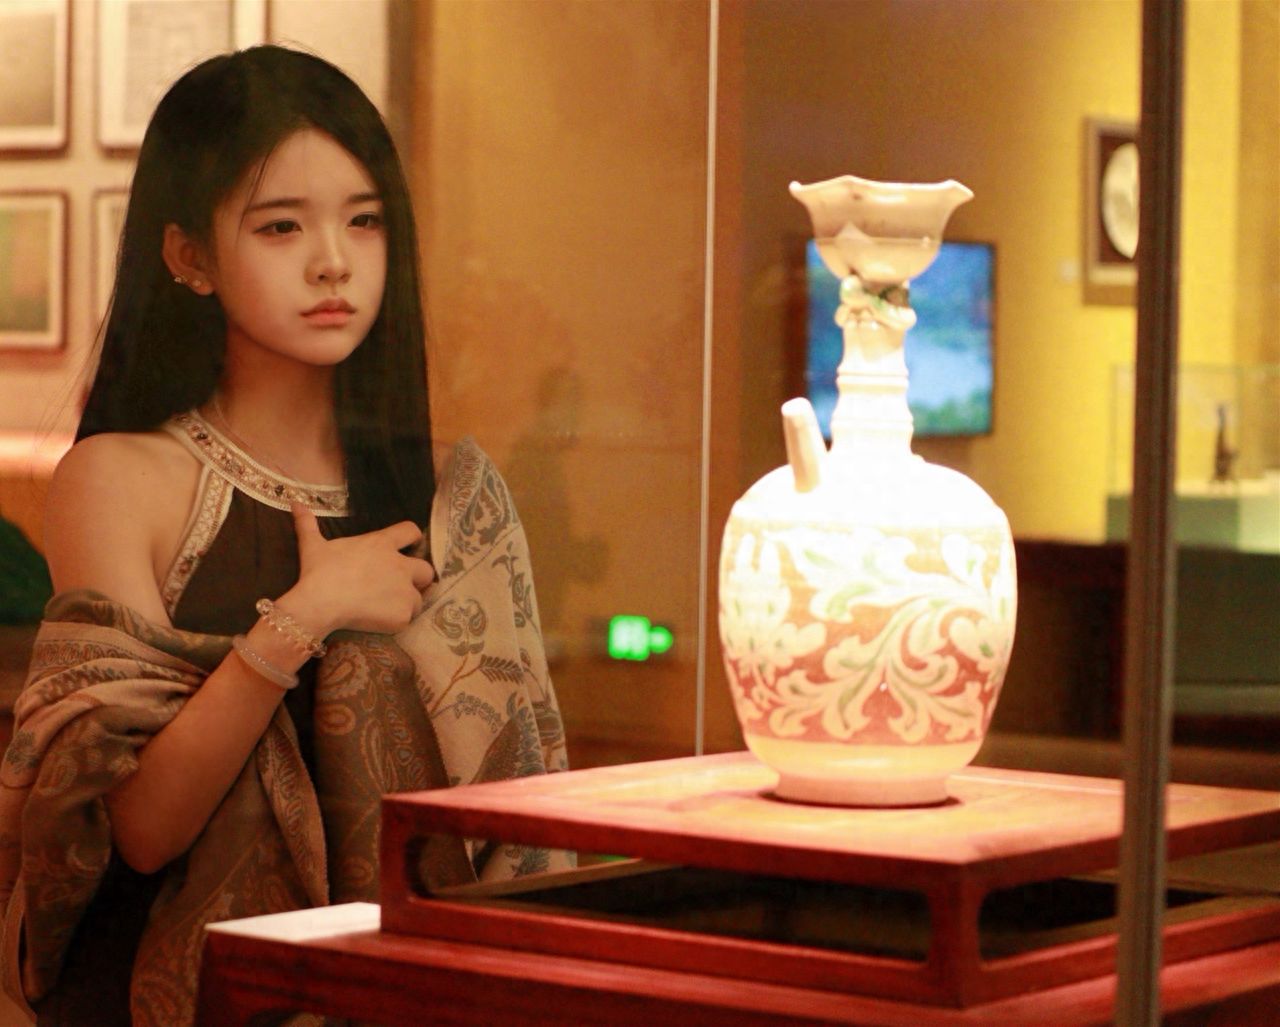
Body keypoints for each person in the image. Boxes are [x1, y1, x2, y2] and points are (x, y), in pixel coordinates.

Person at [0, 46, 568, 1027]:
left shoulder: (453, 489)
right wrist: (302, 616)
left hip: (396, 992)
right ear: (187, 256)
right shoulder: (121, 478)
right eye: (280, 226)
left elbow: (519, 808)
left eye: (363, 219)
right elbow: (134, 827)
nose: (333, 261)